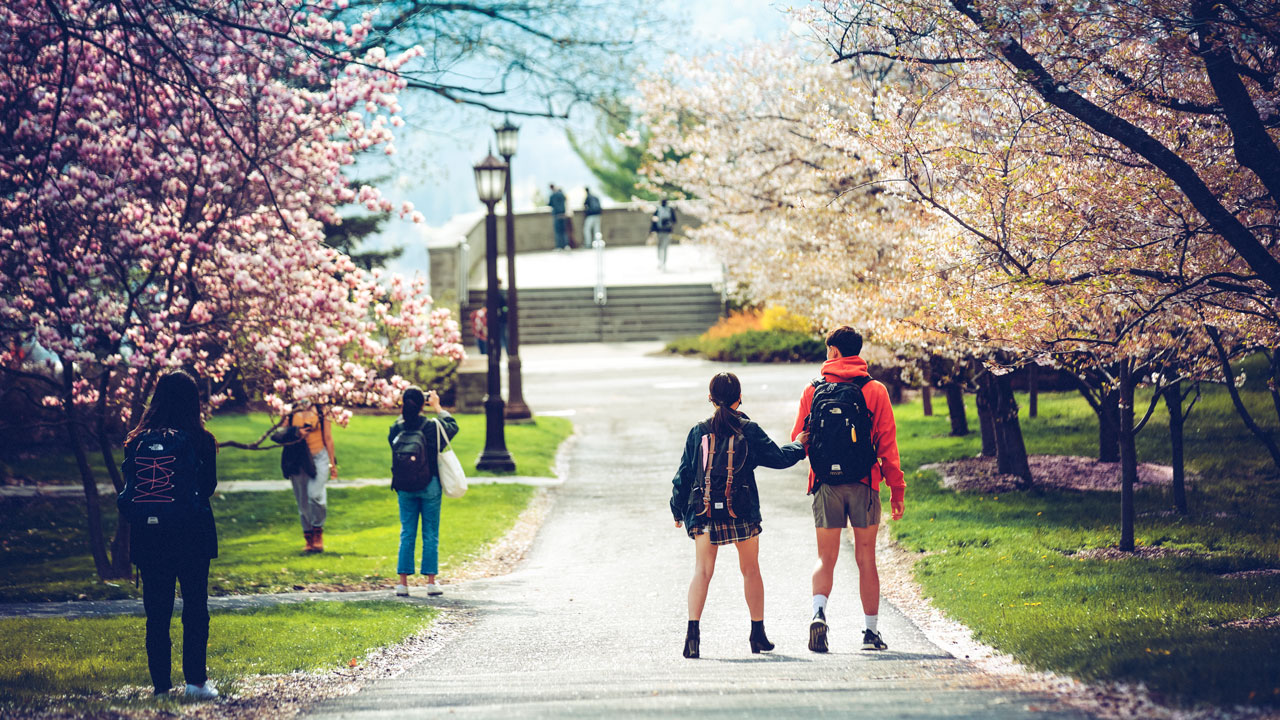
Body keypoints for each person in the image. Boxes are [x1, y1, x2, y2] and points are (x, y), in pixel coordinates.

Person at [670, 372, 807, 658]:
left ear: (710, 398)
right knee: (751, 570)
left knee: (702, 571)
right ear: (739, 397)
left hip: (704, 511)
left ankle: (692, 636)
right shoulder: (749, 429)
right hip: (741, 511)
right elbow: (780, 458)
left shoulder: (698, 431)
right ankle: (757, 635)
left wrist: (677, 509)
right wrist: (801, 445)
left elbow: (683, 475)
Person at [790, 326, 905, 653]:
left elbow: (799, 436)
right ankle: (870, 634)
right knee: (865, 558)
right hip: (865, 482)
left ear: (835, 352)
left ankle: (818, 613)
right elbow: (888, 446)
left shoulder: (813, 390)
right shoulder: (875, 390)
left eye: (829, 351)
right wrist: (896, 490)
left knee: (826, 558)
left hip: (826, 483)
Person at [121, 371, 219, 699]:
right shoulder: (201, 439)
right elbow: (207, 487)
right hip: (192, 533)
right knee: (194, 607)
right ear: (193, 402)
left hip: (149, 536)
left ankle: (161, 687)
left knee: (157, 612)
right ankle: (195, 683)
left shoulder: (136, 440)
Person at [389, 387, 459, 597]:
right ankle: (430, 582)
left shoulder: (396, 428)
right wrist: (437, 406)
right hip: (430, 485)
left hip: (404, 486)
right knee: (430, 533)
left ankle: (403, 584)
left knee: (407, 533)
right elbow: (453, 426)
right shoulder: (432, 427)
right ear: (422, 404)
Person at [289, 402, 336, 552]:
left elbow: (328, 438)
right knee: (302, 501)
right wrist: (297, 431)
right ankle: (309, 538)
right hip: (298, 457)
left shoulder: (323, 410)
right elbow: (282, 431)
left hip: (319, 457)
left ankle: (317, 529)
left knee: (315, 495)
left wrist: (332, 463)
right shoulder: (291, 409)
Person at [651, 198, 677, 270]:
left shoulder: (668, 210)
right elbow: (653, 221)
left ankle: (663, 262)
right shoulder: (659, 210)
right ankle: (661, 262)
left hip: (665, 231)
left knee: (663, 247)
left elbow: (674, 220)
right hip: (661, 231)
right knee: (661, 247)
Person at [548, 184, 568, 250]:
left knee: (558, 232)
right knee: (564, 231)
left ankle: (559, 246)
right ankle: (566, 245)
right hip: (563, 214)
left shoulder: (552, 195)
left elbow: (549, 204)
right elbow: (566, 199)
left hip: (557, 215)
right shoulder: (561, 194)